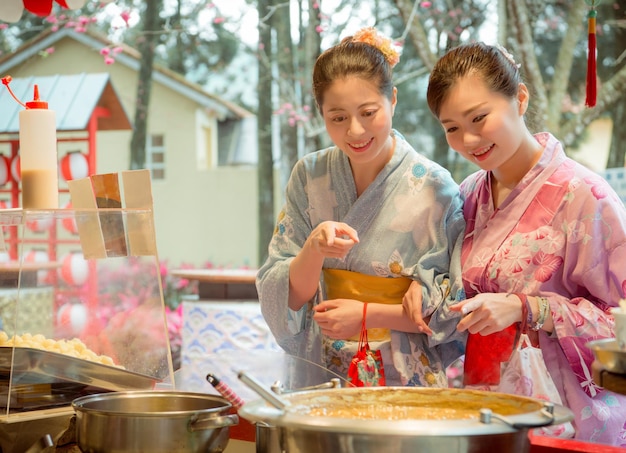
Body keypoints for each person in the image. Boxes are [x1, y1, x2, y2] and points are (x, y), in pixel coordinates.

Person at [423, 42, 626, 445]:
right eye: (451, 128)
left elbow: (622, 324)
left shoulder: (586, 196)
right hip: (486, 407)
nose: (468, 139)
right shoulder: (467, 194)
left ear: (519, 98)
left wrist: (526, 308)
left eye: (479, 117)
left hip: (566, 413)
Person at [256, 27, 466, 387]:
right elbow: (283, 295)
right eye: (338, 118)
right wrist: (314, 249)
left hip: (403, 371)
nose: (355, 131)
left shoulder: (435, 187)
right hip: (320, 367)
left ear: (393, 99)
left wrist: (367, 315)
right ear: (321, 113)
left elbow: (452, 307)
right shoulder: (310, 176)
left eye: (369, 112)